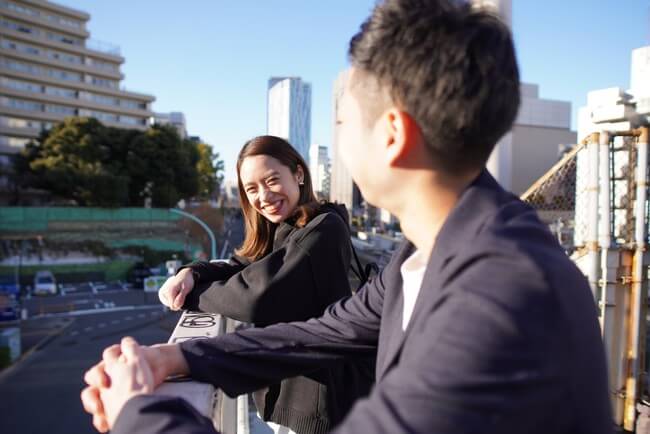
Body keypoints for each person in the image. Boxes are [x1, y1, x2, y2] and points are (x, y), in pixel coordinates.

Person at [81, 1, 613, 433]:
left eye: (342, 119)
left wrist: (136, 411)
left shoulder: (494, 300)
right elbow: (320, 333)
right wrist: (177, 360)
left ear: (392, 134)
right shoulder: (432, 251)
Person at [157, 135, 374, 434]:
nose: (263, 196)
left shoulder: (324, 228)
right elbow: (240, 267)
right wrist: (191, 272)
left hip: (321, 403)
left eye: (272, 180)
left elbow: (257, 296)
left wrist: (193, 295)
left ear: (298, 173)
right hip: (291, 391)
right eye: (251, 189)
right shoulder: (285, 227)